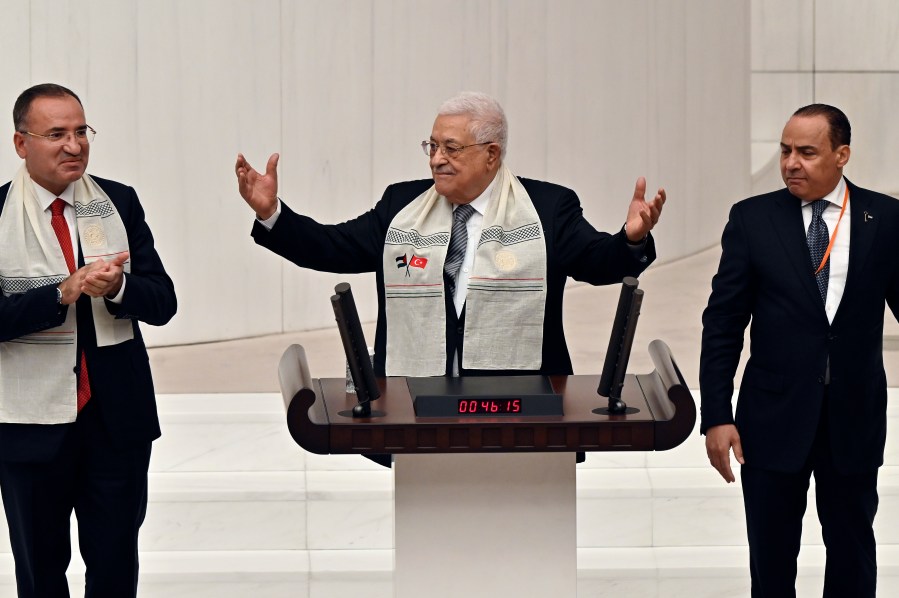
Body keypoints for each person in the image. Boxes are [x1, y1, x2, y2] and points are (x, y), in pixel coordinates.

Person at [236, 91, 665, 380]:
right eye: (432, 147)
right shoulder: (401, 208)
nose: (437, 160)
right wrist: (273, 213)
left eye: (452, 148)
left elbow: (597, 262)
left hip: (524, 410)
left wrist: (630, 239)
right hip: (417, 409)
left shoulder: (549, 210)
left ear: (491, 154)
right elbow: (331, 247)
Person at [700, 104, 899, 597]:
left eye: (807, 152)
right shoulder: (752, 219)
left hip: (853, 418)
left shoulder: (886, 218)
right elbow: (723, 322)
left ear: (842, 155)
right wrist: (716, 415)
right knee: (771, 560)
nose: (791, 162)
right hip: (771, 420)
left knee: (853, 553)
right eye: (786, 151)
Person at [0, 83, 177, 597]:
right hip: (29, 427)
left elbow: (163, 301)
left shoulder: (119, 201)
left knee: (116, 565)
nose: (74, 145)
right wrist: (61, 293)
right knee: (39, 572)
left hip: (115, 421)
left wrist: (119, 286)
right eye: (56, 134)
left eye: (81, 131)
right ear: (21, 143)